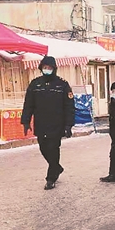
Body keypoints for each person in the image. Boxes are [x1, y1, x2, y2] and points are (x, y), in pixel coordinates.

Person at [21, 55, 75, 190]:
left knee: (53, 149)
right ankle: (57, 167)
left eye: (49, 67)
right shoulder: (35, 84)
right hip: (41, 123)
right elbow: (28, 104)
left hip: (57, 124)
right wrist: (26, 122)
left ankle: (51, 178)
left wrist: (68, 125)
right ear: (41, 68)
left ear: (54, 69)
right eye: (45, 67)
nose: (47, 69)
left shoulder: (62, 85)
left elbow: (69, 106)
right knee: (43, 148)